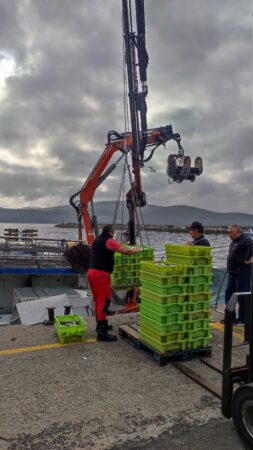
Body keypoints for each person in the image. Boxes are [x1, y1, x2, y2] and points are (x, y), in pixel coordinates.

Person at [87, 224, 141, 342]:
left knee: (97, 300)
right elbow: (124, 251)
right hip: (101, 275)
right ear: (111, 232)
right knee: (104, 301)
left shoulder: (97, 240)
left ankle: (101, 325)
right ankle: (102, 333)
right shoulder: (109, 240)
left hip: (91, 272)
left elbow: (114, 246)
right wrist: (135, 250)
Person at [222, 225, 252, 325]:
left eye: (231, 232)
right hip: (232, 273)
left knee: (242, 297)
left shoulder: (245, 239)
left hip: (242, 274)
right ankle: (230, 317)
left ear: (238, 232)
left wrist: (247, 258)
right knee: (228, 295)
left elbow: (252, 245)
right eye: (228, 232)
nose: (229, 234)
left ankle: (242, 319)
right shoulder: (234, 241)